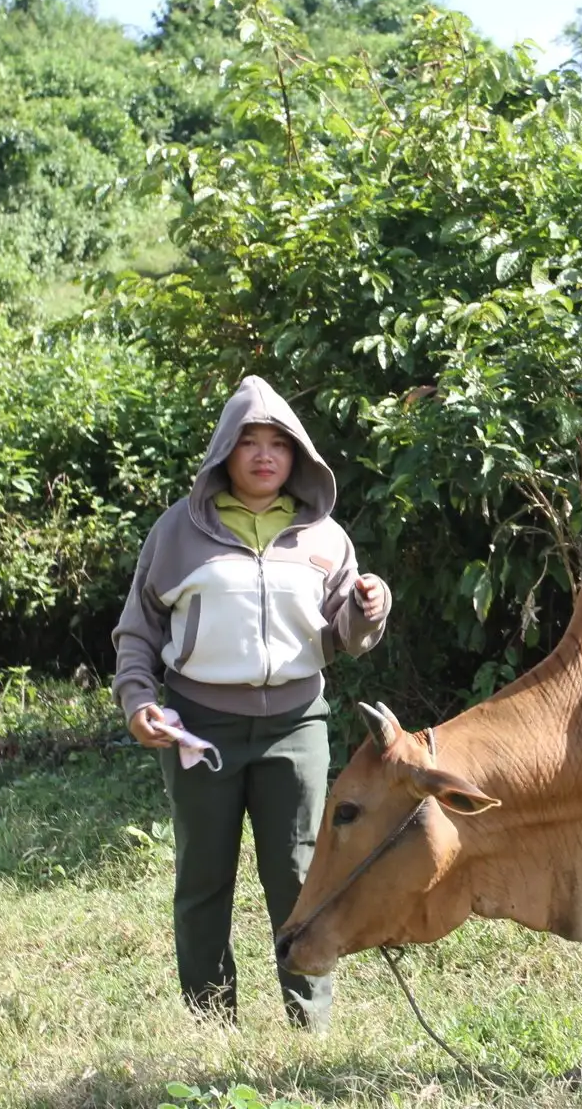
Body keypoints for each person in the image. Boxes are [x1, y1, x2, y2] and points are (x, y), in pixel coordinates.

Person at [112, 375, 391, 1030]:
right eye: (249, 443)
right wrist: (136, 700)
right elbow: (137, 630)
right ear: (223, 453)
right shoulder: (177, 532)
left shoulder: (324, 536)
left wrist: (369, 608)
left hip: (296, 728)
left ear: (297, 456)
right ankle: (212, 1021)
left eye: (278, 445)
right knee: (204, 878)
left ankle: (309, 1021)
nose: (265, 456)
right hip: (198, 728)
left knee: (299, 877)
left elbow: (349, 638)